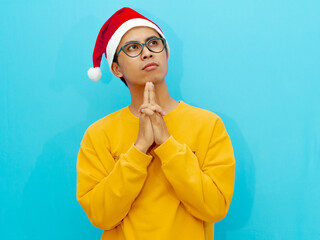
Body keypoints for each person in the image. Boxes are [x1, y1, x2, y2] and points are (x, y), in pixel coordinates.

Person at [76, 7, 235, 240]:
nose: (147, 53)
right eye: (132, 48)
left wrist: (167, 144)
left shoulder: (208, 125)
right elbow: (101, 217)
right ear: (116, 68)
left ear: (166, 53)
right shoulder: (98, 134)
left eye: (153, 43)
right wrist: (139, 148)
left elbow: (215, 207)